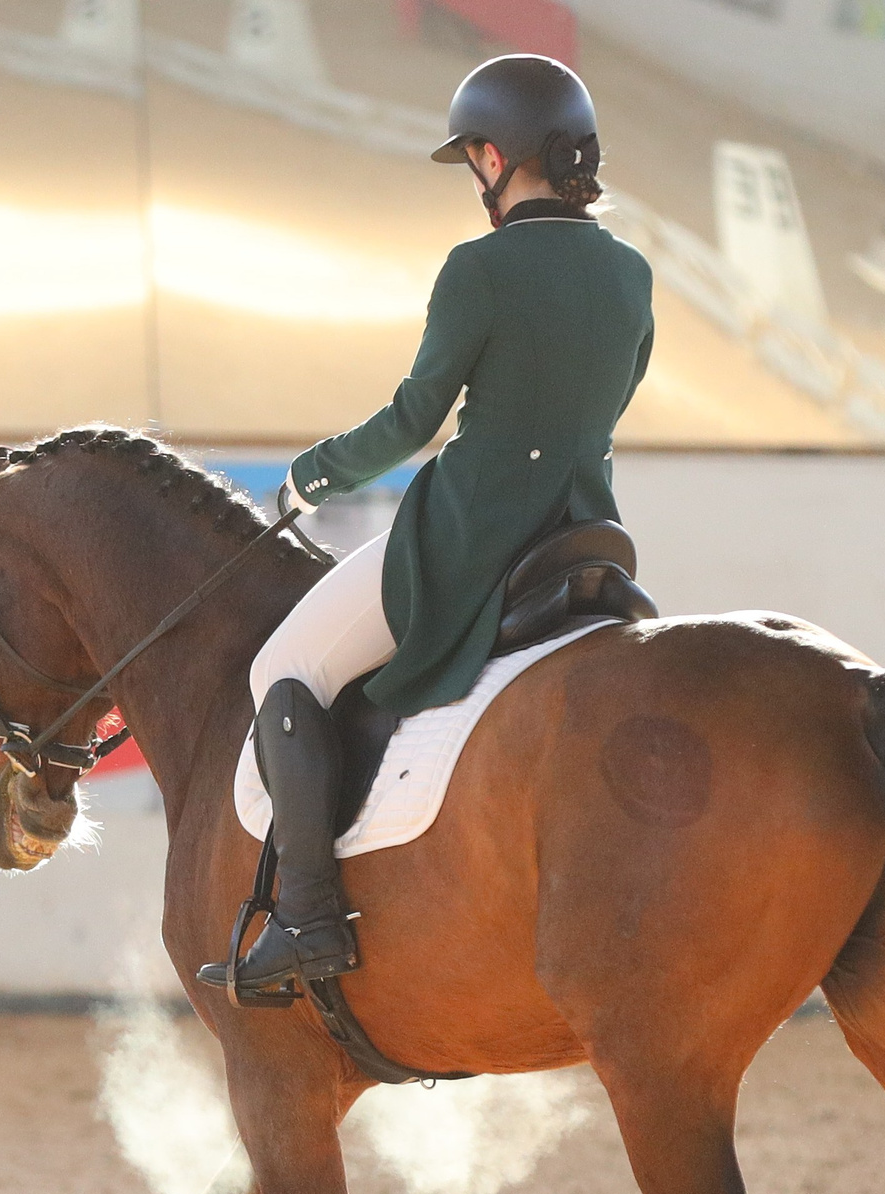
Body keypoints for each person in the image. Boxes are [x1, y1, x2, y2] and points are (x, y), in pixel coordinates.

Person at [199, 53, 656, 1003]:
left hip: (471, 544)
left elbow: (415, 422)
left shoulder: (477, 270)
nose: (478, 179)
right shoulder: (630, 273)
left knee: (282, 671)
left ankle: (310, 918)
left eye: (479, 161)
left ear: (497, 157)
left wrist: (306, 476)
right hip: (586, 537)